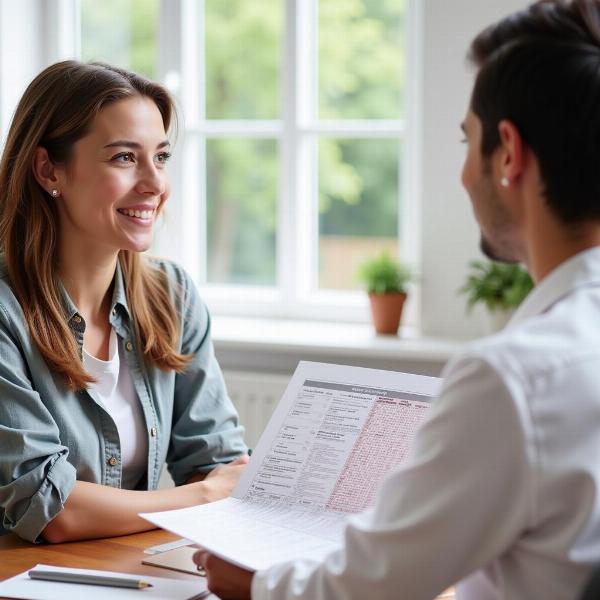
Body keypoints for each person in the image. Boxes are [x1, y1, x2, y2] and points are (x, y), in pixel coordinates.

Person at [193, 0, 600, 598]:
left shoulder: (514, 379)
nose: (464, 173)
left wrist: (257, 583)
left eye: (468, 141)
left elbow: (372, 587)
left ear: (508, 154)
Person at [0, 61, 248, 544]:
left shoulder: (171, 295)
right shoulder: (6, 310)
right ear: (49, 169)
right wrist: (202, 498)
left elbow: (217, 464)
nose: (155, 184)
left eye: (161, 157)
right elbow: (48, 507)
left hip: (126, 571)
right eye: (123, 158)